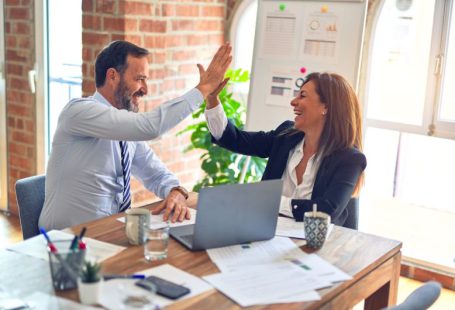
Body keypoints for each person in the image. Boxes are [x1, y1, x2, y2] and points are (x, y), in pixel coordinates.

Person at [39, 40, 231, 230]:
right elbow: (150, 127)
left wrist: (176, 190)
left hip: (110, 232)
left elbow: (155, 173)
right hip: (65, 241)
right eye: (140, 79)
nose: (145, 90)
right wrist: (203, 89)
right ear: (112, 76)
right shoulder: (79, 112)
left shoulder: (125, 129)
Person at [205, 72, 366, 227]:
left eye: (302, 95)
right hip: (266, 233)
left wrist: (270, 201)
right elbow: (234, 139)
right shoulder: (286, 135)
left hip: (317, 245)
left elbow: (326, 211)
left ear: (326, 106)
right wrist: (212, 99)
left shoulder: (350, 159)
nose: (293, 102)